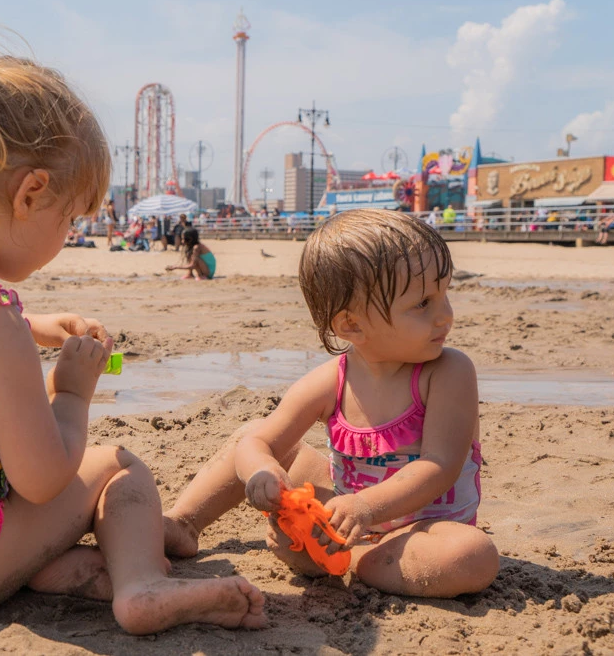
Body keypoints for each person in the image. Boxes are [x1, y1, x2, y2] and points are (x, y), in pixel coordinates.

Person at [0, 36, 265, 634]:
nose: (66, 234)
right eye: (69, 218)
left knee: (21, 512)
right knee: (115, 464)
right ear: (30, 193)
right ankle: (141, 589)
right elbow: (43, 477)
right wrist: (72, 393)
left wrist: (32, 328)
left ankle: (72, 569)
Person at [163, 208, 499, 598]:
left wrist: (365, 508)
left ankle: (347, 560)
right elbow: (259, 445)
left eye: (445, 293)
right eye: (423, 303)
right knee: (251, 433)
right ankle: (184, 522)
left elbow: (439, 467)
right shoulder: (331, 381)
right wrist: (263, 472)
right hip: (344, 509)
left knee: (472, 555)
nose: (445, 316)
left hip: (422, 528)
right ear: (351, 325)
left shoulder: (448, 372)